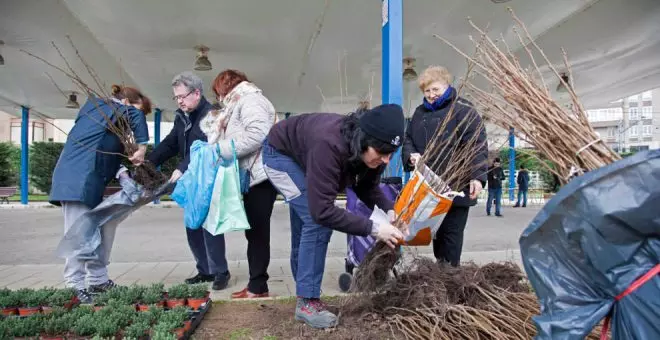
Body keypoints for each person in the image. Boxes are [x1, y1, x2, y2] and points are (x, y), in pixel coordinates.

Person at [262, 104, 408, 329]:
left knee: (307, 219)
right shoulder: (329, 146)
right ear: (364, 141)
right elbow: (322, 211)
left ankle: (304, 287)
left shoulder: (373, 148)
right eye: (381, 153)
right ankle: (307, 302)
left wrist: (391, 210)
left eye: (391, 154)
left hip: (303, 153)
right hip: (279, 156)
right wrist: (375, 229)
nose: (386, 160)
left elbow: (368, 187)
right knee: (315, 221)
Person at [49, 85, 151, 303]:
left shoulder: (105, 120)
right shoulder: (103, 108)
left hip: (91, 180)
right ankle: (74, 286)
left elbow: (104, 152)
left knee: (104, 227)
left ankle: (98, 281)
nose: (132, 122)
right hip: (77, 181)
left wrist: (123, 174)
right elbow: (134, 114)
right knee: (79, 233)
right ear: (125, 103)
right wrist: (141, 147)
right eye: (135, 109)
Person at [147, 71, 230, 290]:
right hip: (192, 181)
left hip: (209, 176)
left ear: (197, 93)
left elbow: (206, 145)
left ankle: (221, 271)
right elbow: (171, 143)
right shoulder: (182, 116)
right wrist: (148, 161)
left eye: (182, 96)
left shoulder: (212, 115)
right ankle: (205, 270)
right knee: (192, 224)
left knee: (209, 224)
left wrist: (182, 168)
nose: (179, 101)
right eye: (176, 98)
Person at [402, 65, 488, 267]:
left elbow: (477, 144)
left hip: (456, 186)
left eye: (436, 90)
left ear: (447, 86)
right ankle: (440, 274)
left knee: (451, 235)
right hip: (430, 187)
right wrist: (411, 156)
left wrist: (477, 176)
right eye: (427, 91)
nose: (431, 95)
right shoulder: (419, 112)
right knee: (438, 235)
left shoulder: (463, 110)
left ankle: (450, 275)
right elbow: (408, 139)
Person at [208, 69, 278, 299]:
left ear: (225, 86)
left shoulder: (251, 100)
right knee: (254, 233)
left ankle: (258, 287)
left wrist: (221, 149)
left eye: (218, 92)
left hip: (260, 177)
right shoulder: (240, 102)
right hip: (252, 175)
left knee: (257, 233)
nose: (218, 98)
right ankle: (255, 285)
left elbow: (258, 134)